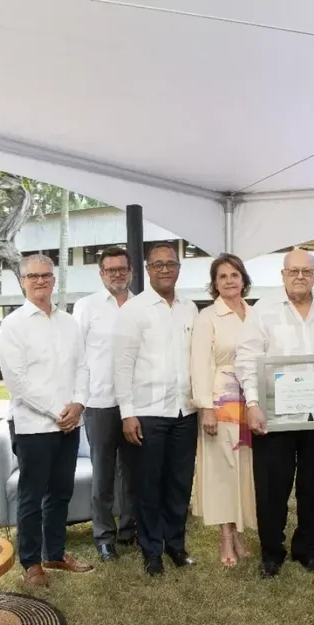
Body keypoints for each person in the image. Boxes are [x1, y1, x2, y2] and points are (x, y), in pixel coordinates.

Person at [236, 248, 314, 578]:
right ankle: (271, 551)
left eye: (306, 271)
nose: (300, 277)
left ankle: (308, 548)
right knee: (271, 486)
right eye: (293, 271)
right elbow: (246, 359)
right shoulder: (264, 310)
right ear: (282, 275)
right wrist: (253, 404)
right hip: (273, 416)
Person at [0, 254, 92, 587]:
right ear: (22, 281)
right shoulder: (13, 325)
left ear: (54, 280)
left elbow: (82, 367)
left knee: (61, 492)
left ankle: (55, 553)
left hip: (70, 424)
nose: (40, 281)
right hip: (34, 427)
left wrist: (79, 404)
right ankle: (30, 563)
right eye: (32, 276)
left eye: (45, 275)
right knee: (32, 496)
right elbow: (17, 382)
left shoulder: (69, 323)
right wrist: (58, 412)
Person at [113, 243, 199, 577]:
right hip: (147, 412)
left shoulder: (190, 308)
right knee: (148, 486)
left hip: (184, 411)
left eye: (171, 264)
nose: (165, 269)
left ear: (178, 268)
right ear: (147, 269)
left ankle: (176, 545)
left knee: (179, 484)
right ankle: (152, 551)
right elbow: (122, 365)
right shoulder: (133, 310)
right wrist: (127, 413)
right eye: (158, 264)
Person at [190, 253, 256, 568]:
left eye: (234, 274)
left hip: (253, 404)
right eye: (222, 276)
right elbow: (200, 365)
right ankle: (226, 535)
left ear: (243, 279)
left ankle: (240, 530)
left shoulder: (256, 314)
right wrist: (206, 408)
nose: (229, 281)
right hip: (222, 403)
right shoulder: (208, 318)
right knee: (223, 471)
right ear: (214, 284)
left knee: (245, 469)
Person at [71, 246, 136, 561]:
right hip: (99, 403)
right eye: (110, 270)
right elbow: (77, 357)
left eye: (122, 268)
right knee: (104, 474)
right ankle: (103, 536)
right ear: (101, 274)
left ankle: (129, 530)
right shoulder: (86, 307)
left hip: (136, 405)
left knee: (132, 471)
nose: (117, 274)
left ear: (130, 271)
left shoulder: (142, 306)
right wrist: (79, 399)